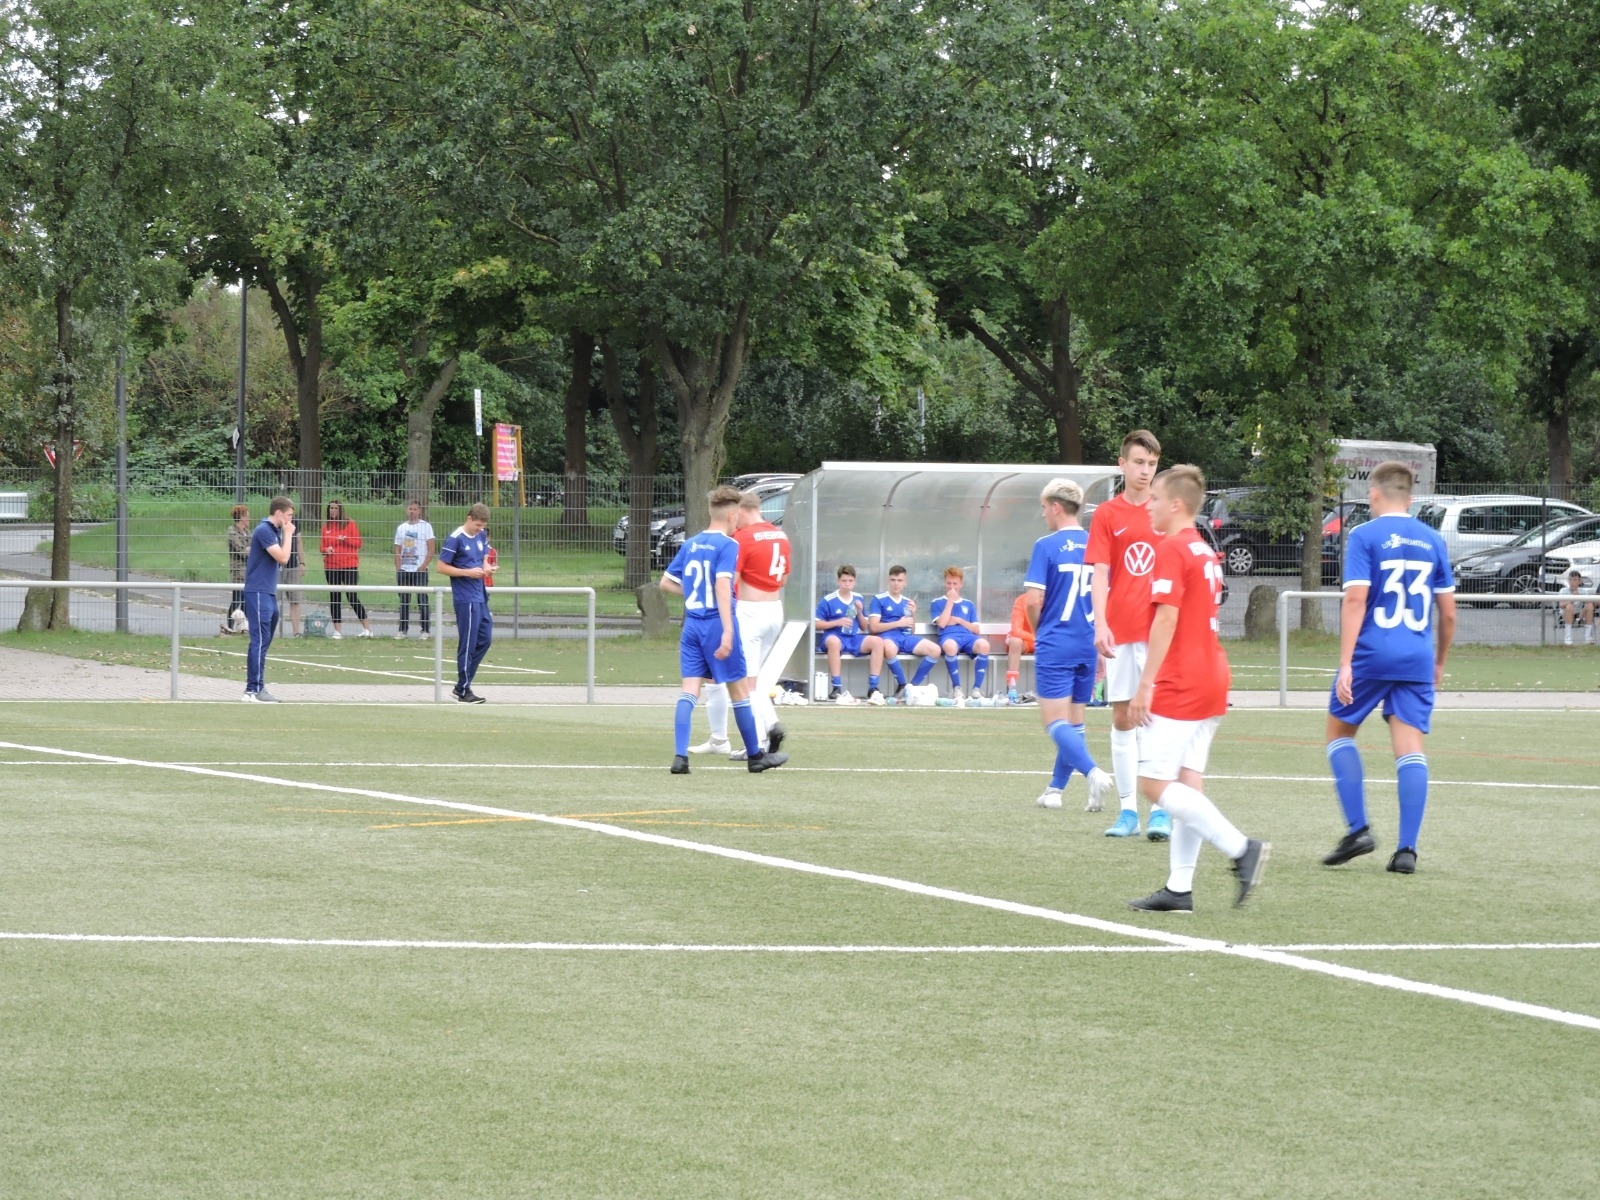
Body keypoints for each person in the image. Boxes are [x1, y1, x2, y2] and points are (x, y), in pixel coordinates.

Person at [1126, 466, 1268, 913]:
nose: (1149, 506)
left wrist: (1145, 683)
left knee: (1153, 784)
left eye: (1154, 499)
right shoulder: (1204, 549)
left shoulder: (1171, 548)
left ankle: (1241, 848)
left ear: (1176, 504)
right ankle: (1179, 888)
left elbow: (1167, 617)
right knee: (1188, 783)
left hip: (1182, 679)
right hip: (1211, 674)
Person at [1323, 460, 1457, 875]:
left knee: (1339, 732)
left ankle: (1358, 829)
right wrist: (1438, 661)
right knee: (1410, 747)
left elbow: (1355, 600)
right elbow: (1449, 614)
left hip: (1372, 652)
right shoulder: (1433, 539)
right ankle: (1406, 851)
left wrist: (1345, 663)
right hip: (1417, 656)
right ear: (1411, 498)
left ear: (1374, 494)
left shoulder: (1364, 535)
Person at [662, 485, 788, 774]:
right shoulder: (729, 545)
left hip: (692, 625)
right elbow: (722, 585)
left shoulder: (690, 543)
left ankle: (680, 758)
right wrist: (728, 630)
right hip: (716, 624)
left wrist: (695, 594)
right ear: (732, 515)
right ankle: (755, 757)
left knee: (689, 690)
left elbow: (665, 583)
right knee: (740, 690)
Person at [1088, 429, 1171, 840]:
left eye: (1152, 464)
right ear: (1122, 464)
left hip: (1160, 633)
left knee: (1157, 718)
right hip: (1121, 632)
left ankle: (1160, 810)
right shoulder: (1107, 514)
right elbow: (1100, 573)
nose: (1145, 470)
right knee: (1123, 719)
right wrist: (1101, 624)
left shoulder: (1165, 511)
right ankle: (1127, 812)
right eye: (1138, 462)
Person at [1022, 481, 1115, 812]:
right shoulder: (1096, 544)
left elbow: (1033, 600)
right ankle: (1055, 790)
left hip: (1056, 641)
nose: (1043, 514)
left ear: (1056, 507)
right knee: (1075, 722)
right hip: (1087, 642)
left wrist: (1041, 631)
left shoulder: (1046, 545)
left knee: (1054, 721)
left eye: (1044, 507)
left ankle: (1093, 772)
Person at [436, 502, 496, 703]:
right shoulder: (456, 538)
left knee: (485, 639)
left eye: (483, 526)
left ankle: (462, 685)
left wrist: (486, 567)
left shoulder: (481, 535)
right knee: (468, 643)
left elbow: (483, 556)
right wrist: (467, 573)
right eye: (477, 525)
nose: (480, 529)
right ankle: (463, 690)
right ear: (469, 519)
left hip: (480, 595)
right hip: (465, 598)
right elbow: (441, 567)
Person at [240, 497, 295, 703]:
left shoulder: (274, 531)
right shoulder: (264, 530)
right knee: (259, 640)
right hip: (258, 592)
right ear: (278, 513)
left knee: (264, 641)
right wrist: (289, 534)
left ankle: (257, 687)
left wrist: (285, 533)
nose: (290, 520)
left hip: (268, 592)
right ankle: (252, 690)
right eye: (288, 515)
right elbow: (283, 558)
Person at [867, 565, 941, 704]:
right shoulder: (878, 599)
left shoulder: (907, 602)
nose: (896, 584)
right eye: (893, 580)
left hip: (904, 637)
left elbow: (911, 630)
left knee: (935, 650)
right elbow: (873, 627)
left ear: (905, 582)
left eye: (900, 580)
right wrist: (898, 623)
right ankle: (901, 684)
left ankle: (911, 688)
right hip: (887, 636)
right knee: (888, 648)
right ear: (888, 581)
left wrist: (913, 614)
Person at [814, 564, 886, 701]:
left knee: (877, 642)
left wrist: (859, 612)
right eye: (844, 581)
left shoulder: (858, 598)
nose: (847, 584)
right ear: (838, 581)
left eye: (850, 581)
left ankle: (873, 687)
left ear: (855, 582)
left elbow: (864, 627)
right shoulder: (828, 600)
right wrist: (837, 622)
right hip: (834, 636)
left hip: (852, 637)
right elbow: (816, 624)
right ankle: (836, 687)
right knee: (834, 642)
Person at [928, 566, 991, 700]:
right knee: (950, 647)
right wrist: (950, 601)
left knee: (984, 645)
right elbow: (942, 623)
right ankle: (957, 688)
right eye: (949, 583)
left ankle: (976, 689)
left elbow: (976, 629)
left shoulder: (969, 604)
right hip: (948, 636)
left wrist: (959, 620)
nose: (952, 587)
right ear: (944, 583)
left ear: (961, 584)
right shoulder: (937, 602)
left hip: (968, 637)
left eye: (955, 584)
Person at [320, 498, 373, 638]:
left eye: (335, 508)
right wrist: (326, 549)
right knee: (335, 597)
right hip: (331, 566)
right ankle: (337, 631)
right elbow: (322, 547)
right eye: (331, 508)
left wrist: (346, 539)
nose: (333, 511)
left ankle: (367, 629)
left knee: (352, 595)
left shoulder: (350, 524)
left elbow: (358, 543)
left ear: (340, 510)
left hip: (349, 565)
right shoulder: (326, 527)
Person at [393, 499, 436, 640]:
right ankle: (402, 630)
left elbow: (431, 548)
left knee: (422, 600)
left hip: (419, 570)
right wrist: (398, 567)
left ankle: (425, 630)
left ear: (419, 511)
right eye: (410, 509)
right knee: (404, 601)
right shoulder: (401, 528)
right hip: (404, 569)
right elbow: (397, 549)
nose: (412, 512)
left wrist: (423, 565)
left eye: (415, 509)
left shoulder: (426, 527)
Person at [223, 504, 251, 635]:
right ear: (241, 517)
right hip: (238, 572)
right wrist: (250, 549)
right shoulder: (233, 532)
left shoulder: (248, 532)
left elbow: (252, 548)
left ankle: (243, 627)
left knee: (246, 601)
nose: (249, 519)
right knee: (237, 600)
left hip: (249, 572)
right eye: (247, 516)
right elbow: (242, 551)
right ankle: (230, 626)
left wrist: (250, 549)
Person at [1004, 590, 1034, 704]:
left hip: (1047, 641)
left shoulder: (1053, 599)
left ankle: (1059, 692)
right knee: (1015, 641)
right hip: (1028, 641)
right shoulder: (1022, 600)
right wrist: (1037, 638)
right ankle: (1012, 690)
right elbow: (1016, 630)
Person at [279, 522, 305, 637]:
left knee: (295, 599)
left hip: (293, 565)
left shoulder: (295, 523)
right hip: (275, 565)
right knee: (272, 599)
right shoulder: (274, 522)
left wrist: (302, 562)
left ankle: (296, 632)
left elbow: (299, 542)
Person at [1560, 569, 1594, 646]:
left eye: (1575, 580)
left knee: (1589, 606)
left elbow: (1589, 602)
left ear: (1579, 581)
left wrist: (1580, 596)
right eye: (1570, 579)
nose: (1572, 582)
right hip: (1566, 613)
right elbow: (1561, 605)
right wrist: (1572, 599)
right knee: (1569, 606)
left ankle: (1588, 638)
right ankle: (1568, 638)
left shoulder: (1583, 591)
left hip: (1579, 613)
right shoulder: (1563, 590)